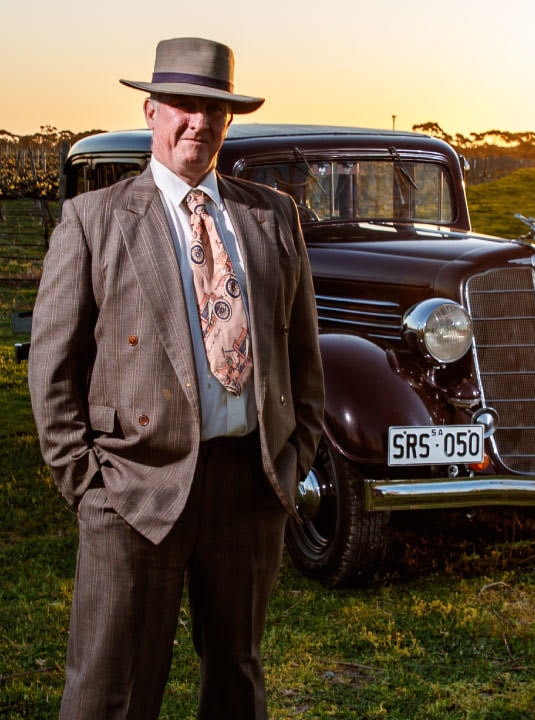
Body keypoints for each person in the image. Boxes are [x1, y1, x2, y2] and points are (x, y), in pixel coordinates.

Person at [27, 37, 326, 719]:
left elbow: (303, 354)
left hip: (248, 487)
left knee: (237, 681)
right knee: (114, 690)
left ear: (228, 121)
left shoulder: (270, 215)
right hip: (133, 487)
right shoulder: (95, 221)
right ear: (152, 110)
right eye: (182, 106)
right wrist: (89, 483)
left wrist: (294, 449)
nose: (197, 122)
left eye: (213, 110)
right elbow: (52, 367)